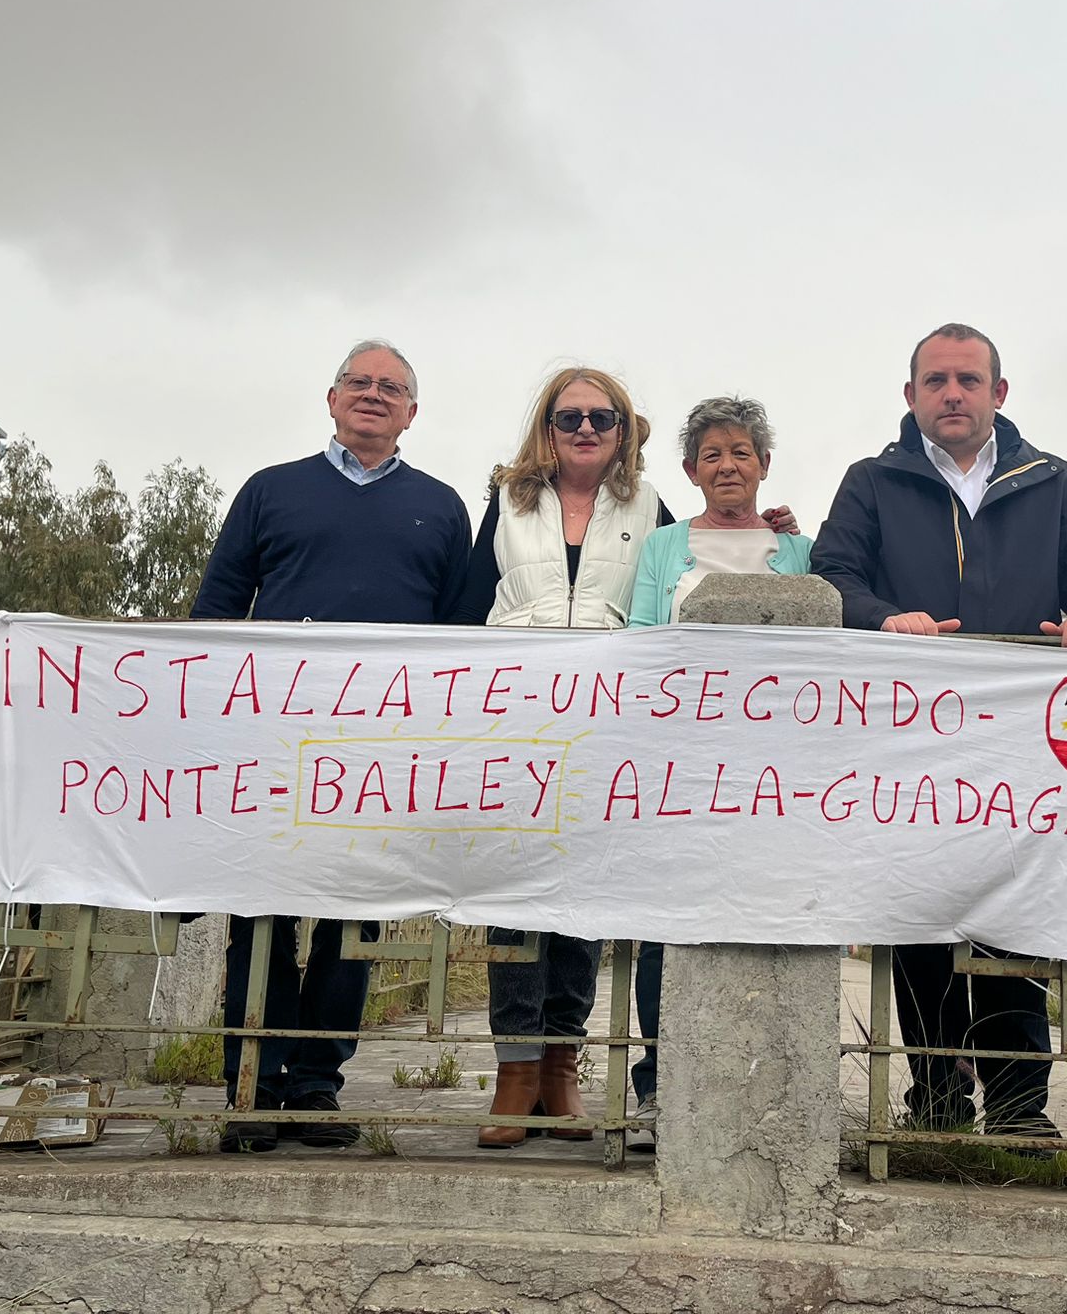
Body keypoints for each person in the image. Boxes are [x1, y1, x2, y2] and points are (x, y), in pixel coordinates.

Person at [456, 367, 796, 1147]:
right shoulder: (506, 504)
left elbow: (703, 558)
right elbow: (466, 606)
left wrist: (778, 529)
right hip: (518, 715)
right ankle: (514, 1069)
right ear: (547, 426)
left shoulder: (647, 507)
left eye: (601, 418)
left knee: (580, 894)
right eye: (569, 417)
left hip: (608, 724)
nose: (584, 429)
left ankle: (560, 1068)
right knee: (515, 890)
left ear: (623, 431)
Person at [810, 322, 1067, 1137]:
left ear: (999, 393)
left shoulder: (1051, 480)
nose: (952, 394)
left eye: (967, 379)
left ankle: (1021, 1105)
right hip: (910, 740)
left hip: (1018, 740)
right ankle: (938, 1097)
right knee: (919, 913)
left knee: (1014, 912)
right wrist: (886, 619)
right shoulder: (871, 481)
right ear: (911, 395)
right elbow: (833, 576)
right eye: (935, 381)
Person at [191, 338, 471, 1152]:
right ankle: (251, 1086)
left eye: (392, 388)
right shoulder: (271, 491)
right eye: (360, 382)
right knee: (263, 917)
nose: (374, 395)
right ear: (332, 397)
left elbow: (459, 634)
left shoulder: (442, 506)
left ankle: (317, 1085)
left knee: (354, 923)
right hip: (271, 742)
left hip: (385, 750)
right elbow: (216, 614)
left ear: (412, 413)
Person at [623, 395, 814, 1151]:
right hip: (683, 762)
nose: (728, 465)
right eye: (712, 454)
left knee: (764, 919)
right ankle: (654, 1087)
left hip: (773, 773)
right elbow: (641, 636)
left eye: (741, 452)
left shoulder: (798, 550)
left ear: (764, 465)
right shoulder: (665, 546)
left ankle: (766, 1088)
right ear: (690, 471)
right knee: (663, 924)